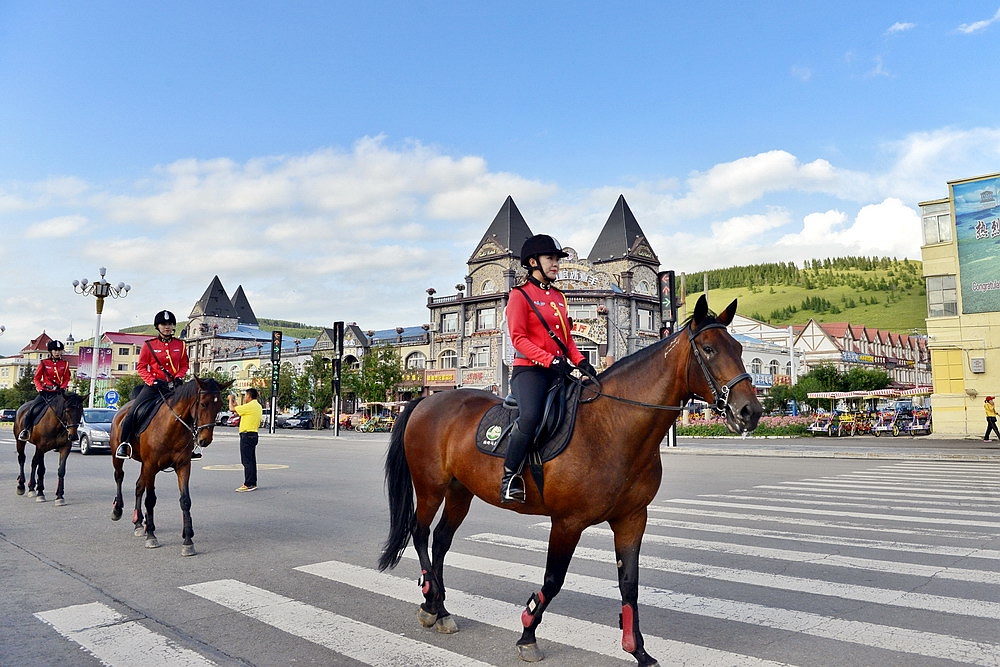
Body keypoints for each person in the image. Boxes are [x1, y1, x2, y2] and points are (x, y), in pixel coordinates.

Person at [500, 234, 597, 503]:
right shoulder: (519, 296)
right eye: (550, 258)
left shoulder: (558, 297)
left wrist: (581, 362)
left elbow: (566, 339)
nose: (556, 264)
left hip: (559, 370)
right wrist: (550, 360)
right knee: (530, 417)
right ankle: (510, 477)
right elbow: (518, 338)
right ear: (533, 262)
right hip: (529, 371)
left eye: (557, 259)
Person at [115, 310, 190, 459]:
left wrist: (179, 376)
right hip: (154, 387)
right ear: (158, 326)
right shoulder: (149, 345)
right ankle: (124, 444)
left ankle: (190, 446)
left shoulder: (180, 345)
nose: (167, 327)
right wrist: (152, 381)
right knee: (132, 412)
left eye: (169, 324)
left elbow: (184, 365)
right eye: (163, 324)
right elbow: (141, 367)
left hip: (174, 386)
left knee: (191, 411)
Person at [18, 340, 72, 440]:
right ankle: (25, 430)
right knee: (33, 409)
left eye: (59, 350)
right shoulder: (44, 363)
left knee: (70, 410)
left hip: (58, 393)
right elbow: (36, 378)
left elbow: (66, 378)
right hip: (45, 392)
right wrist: (40, 389)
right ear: (51, 351)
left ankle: (67, 433)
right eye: (55, 350)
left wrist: (63, 387)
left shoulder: (65, 364)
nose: (57, 352)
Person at [230, 387, 263, 492]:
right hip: (253, 434)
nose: (244, 397)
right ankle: (252, 482)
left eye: (245, 395)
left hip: (246, 435)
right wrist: (235, 404)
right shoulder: (257, 406)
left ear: (249, 396)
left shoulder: (249, 406)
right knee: (251, 460)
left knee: (246, 461)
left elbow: (232, 409)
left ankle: (248, 484)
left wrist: (230, 399)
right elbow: (238, 410)